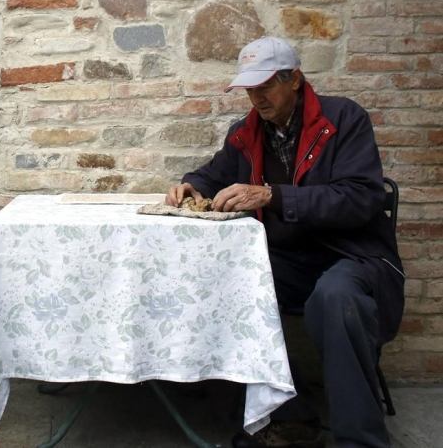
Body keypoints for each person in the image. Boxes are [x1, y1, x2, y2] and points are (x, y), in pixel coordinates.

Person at [166, 36, 405, 448]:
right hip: (287, 258)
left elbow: (360, 197)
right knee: (226, 288)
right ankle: (290, 417)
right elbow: (216, 172)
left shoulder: (344, 119)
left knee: (335, 298)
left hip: (352, 255)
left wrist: (272, 195)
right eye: (250, 90)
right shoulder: (246, 131)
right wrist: (190, 185)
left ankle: (362, 440)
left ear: (294, 79)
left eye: (265, 87)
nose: (256, 98)